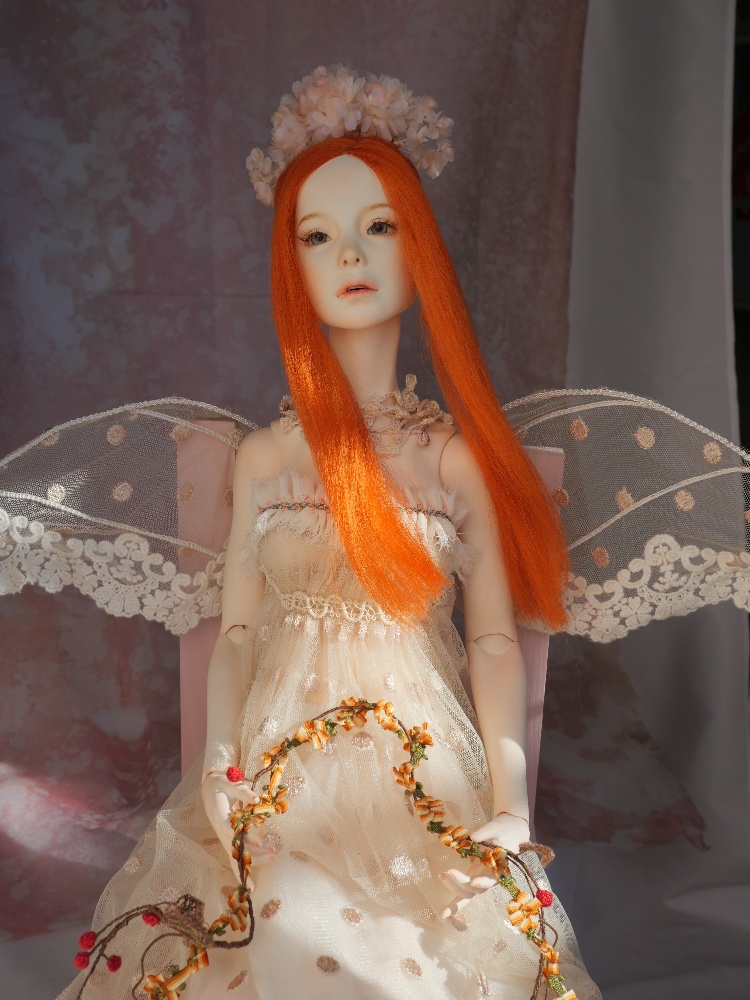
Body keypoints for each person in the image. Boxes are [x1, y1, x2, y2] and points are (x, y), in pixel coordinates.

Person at [48, 67, 599, 1000]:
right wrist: (219, 763)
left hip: (418, 769)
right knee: (266, 923)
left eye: (380, 226)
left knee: (417, 951)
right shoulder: (267, 458)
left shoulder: (451, 462)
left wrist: (510, 809)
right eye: (317, 235)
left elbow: (495, 643)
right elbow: (235, 633)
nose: (350, 252)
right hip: (277, 765)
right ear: (291, 265)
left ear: (420, 248)